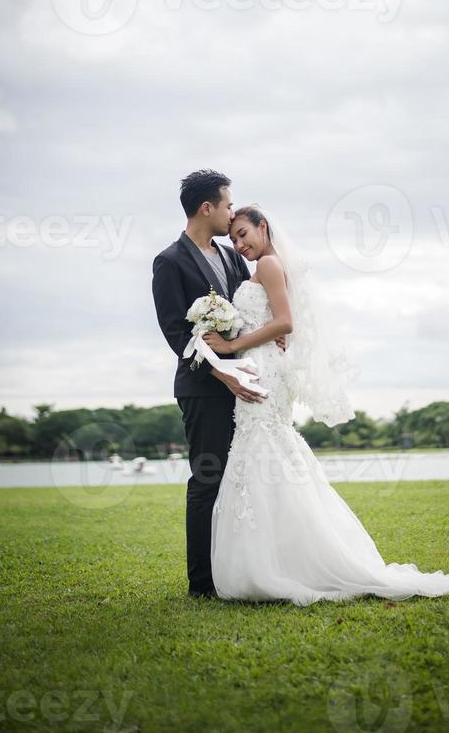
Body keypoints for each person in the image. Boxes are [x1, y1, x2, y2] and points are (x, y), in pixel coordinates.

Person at [204, 204, 449, 606]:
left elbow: (285, 322)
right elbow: (272, 321)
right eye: (233, 239)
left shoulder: (269, 265)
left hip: (265, 372)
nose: (239, 244)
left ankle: (278, 565)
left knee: (262, 448)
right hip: (261, 366)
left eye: (244, 234)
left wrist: (232, 345)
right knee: (262, 452)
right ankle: (280, 559)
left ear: (263, 227)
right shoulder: (263, 266)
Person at [151, 170, 283, 599]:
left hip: (244, 387)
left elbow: (249, 303)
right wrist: (219, 372)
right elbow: (176, 333)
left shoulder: (232, 256)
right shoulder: (169, 262)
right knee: (208, 480)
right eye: (228, 205)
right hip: (203, 389)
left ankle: (237, 572)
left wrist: (270, 329)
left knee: (241, 479)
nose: (232, 213)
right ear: (207, 207)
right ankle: (203, 585)